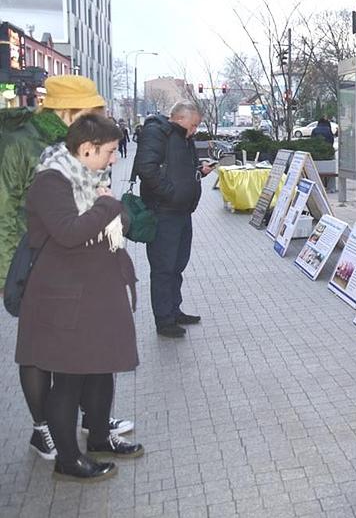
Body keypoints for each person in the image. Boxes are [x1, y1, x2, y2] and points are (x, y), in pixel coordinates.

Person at [0, 75, 133, 462]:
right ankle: (44, 428)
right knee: (39, 352)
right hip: (36, 258)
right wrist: (14, 276)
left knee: (77, 352)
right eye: (91, 110)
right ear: (67, 111)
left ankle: (90, 423)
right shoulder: (25, 144)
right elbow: (7, 210)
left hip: (76, 262)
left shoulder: (83, 143)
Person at [17, 114, 144, 482]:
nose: (114, 158)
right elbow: (70, 232)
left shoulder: (90, 177)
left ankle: (100, 438)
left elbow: (114, 223)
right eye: (108, 151)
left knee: (101, 368)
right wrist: (108, 207)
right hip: (64, 299)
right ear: (86, 149)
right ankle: (68, 459)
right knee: (69, 380)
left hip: (96, 292)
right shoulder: (51, 182)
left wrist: (113, 209)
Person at [136, 100, 213, 338]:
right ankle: (164, 319)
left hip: (181, 212)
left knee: (177, 265)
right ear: (181, 118)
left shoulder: (184, 138)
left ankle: (174, 310)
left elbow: (179, 170)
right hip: (164, 213)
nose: (195, 129)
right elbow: (146, 169)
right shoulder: (156, 132)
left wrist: (199, 172)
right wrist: (171, 193)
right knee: (163, 268)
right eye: (194, 124)